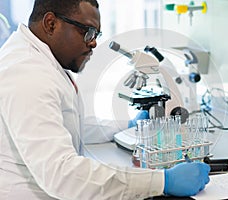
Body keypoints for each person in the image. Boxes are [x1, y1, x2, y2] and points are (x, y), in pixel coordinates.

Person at [0, 0, 210, 199]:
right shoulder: (28, 74)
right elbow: (62, 175)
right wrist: (162, 182)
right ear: (51, 24)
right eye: (87, 31)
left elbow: (66, 124)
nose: (93, 42)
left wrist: (126, 125)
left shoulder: (41, 60)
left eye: (97, 34)